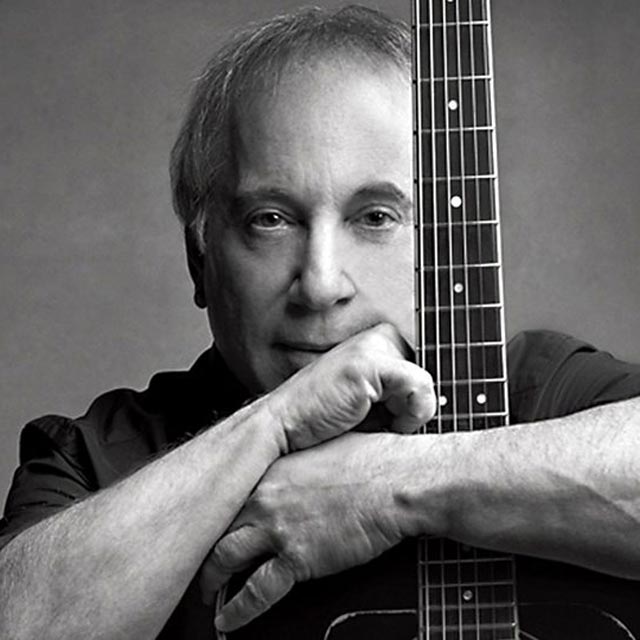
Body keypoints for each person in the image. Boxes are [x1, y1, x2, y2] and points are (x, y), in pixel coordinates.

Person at [1, 5, 640, 639]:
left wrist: (395, 484)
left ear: (450, 242)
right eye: (270, 220)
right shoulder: (98, 461)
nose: (321, 283)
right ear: (199, 257)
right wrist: (275, 423)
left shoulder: (541, 394)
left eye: (376, 218)